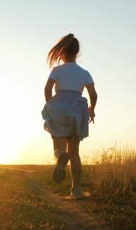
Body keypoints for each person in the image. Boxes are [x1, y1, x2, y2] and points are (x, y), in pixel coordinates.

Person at [42, 33, 98, 198]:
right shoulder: (84, 72)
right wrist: (91, 109)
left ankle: (60, 157)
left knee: (58, 148)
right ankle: (76, 190)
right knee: (75, 153)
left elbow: (47, 89)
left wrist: (51, 105)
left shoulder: (57, 70)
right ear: (77, 52)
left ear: (62, 52)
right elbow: (93, 94)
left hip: (59, 108)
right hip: (76, 111)